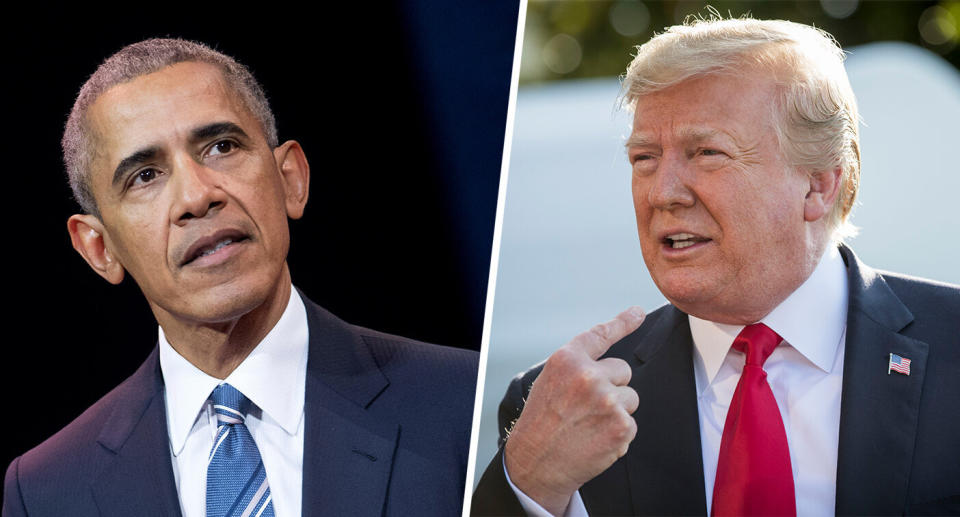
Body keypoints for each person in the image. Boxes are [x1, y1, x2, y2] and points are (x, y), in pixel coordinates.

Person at [472, 15, 960, 517]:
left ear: (817, 184)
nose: (662, 193)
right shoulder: (555, 406)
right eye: (644, 158)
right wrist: (530, 480)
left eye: (707, 153)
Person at [3, 38, 477, 517]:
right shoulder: (47, 490)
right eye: (145, 175)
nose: (196, 196)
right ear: (99, 248)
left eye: (220, 147)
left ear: (291, 179)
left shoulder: (464, 403)